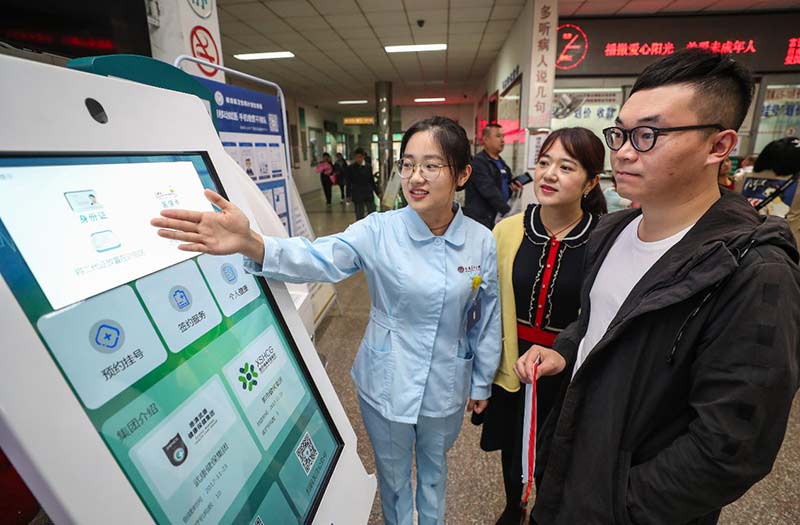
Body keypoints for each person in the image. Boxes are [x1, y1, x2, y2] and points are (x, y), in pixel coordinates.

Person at [151, 116, 502, 525]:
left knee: (435, 472)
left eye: (431, 165)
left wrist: (481, 380)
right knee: (392, 478)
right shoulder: (379, 229)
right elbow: (319, 257)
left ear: (462, 175)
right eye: (406, 164)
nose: (415, 178)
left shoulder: (480, 240)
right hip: (387, 378)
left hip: (446, 382)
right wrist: (252, 243)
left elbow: (486, 316)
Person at [515, 48, 800, 524]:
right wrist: (565, 348)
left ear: (718, 145)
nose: (624, 151)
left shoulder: (755, 272)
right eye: (621, 133)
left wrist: (618, 504)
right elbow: (596, 322)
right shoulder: (613, 230)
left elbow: (729, 447)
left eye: (648, 135)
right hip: (571, 464)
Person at [477, 127, 606, 525]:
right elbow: (485, 309)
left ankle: (546, 513)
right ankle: (514, 507)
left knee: (562, 451)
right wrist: (480, 377)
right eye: (544, 163)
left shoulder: (604, 237)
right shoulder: (508, 230)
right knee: (513, 448)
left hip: (570, 369)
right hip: (514, 367)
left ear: (592, 182)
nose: (549, 174)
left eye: (566, 167)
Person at [464, 124, 522, 230]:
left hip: (498, 218)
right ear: (485, 139)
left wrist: (513, 189)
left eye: (503, 136)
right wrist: (508, 212)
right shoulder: (477, 163)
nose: (502, 140)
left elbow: (504, 187)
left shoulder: (502, 164)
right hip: (481, 220)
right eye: (498, 136)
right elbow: (488, 190)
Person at [348, 147, 379, 220]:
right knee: (359, 215)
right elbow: (349, 182)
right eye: (356, 157)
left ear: (363, 157)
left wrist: (377, 192)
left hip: (368, 192)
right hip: (357, 193)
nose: (358, 159)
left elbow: (371, 181)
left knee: (372, 213)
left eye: (360, 157)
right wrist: (348, 195)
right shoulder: (351, 168)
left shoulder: (368, 167)